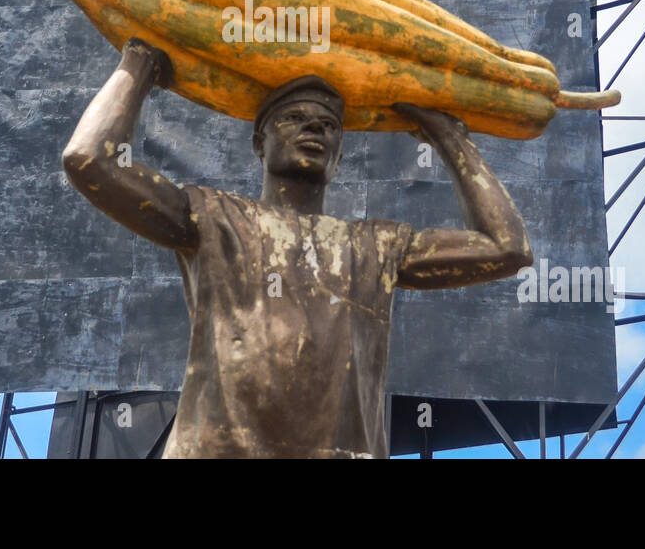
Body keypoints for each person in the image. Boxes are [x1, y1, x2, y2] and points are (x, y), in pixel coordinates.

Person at [62, 37, 534, 458]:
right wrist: (141, 61)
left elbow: (506, 247)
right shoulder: (211, 217)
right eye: (293, 118)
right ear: (258, 144)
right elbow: (89, 160)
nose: (314, 129)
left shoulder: (373, 247)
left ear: (340, 155)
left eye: (328, 126)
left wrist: (451, 139)